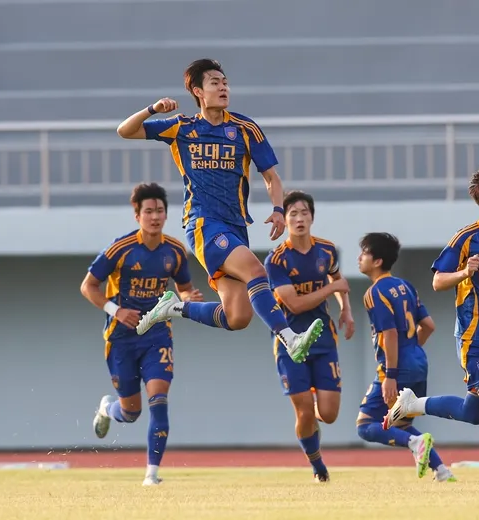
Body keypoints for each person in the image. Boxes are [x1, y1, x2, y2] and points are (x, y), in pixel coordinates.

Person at [116, 58, 322, 364]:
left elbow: (271, 177)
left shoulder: (244, 128)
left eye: (225, 83)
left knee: (237, 317)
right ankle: (290, 338)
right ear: (198, 91)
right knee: (256, 271)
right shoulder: (182, 127)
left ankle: (174, 308)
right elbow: (125, 131)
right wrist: (152, 109)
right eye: (215, 83)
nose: (223, 88)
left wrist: (279, 209)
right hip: (203, 224)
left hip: (235, 226)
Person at [384, 166, 479, 493]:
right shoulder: (466, 238)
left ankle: (412, 405)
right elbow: (438, 280)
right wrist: (464, 274)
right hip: (473, 336)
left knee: (473, 412)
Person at [80, 182, 203, 486]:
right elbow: (88, 286)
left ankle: (152, 475)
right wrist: (116, 310)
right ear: (137, 215)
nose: (155, 216)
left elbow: (184, 288)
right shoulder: (120, 249)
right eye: (148, 211)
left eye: (160, 211)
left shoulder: (175, 251)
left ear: (166, 214)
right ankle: (107, 409)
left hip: (157, 335)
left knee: (159, 398)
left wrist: (188, 298)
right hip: (121, 338)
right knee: (131, 412)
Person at [264, 191, 354, 482]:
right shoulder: (276, 260)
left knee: (328, 414)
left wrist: (346, 310)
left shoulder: (327, 251)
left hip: (323, 340)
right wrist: (332, 290)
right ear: (285, 219)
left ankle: (314, 412)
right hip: (290, 343)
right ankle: (318, 468)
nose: (299, 218)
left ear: (312, 217)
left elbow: (338, 280)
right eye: (293, 214)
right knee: (303, 413)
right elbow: (294, 304)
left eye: (304, 213)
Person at [355, 232, 456, 482]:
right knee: (401, 425)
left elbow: (389, 333)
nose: (359, 258)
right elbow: (428, 325)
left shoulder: (374, 293)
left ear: (377, 261)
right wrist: (411, 350)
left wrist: (391, 375)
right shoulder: (406, 286)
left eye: (364, 253)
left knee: (365, 426)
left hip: (395, 369)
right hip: (418, 364)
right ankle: (442, 471)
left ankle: (415, 443)